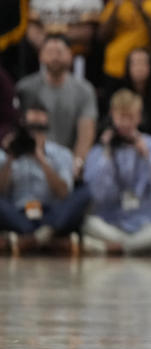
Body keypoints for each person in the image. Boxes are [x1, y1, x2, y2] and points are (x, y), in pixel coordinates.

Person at [81, 89, 151, 255]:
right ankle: (137, 248)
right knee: (89, 223)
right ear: (112, 116)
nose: (125, 124)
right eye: (121, 117)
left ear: (139, 117)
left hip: (144, 227)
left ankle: (120, 248)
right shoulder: (99, 150)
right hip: (110, 225)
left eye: (130, 117)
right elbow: (95, 194)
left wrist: (148, 158)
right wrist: (107, 156)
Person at [0, 101, 89, 253]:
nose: (34, 133)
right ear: (22, 127)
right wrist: (10, 160)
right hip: (19, 215)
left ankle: (30, 240)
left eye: (40, 128)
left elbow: (64, 193)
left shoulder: (61, 153)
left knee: (85, 192)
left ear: (47, 128)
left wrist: (41, 159)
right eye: (30, 128)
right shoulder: (8, 153)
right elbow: (1, 191)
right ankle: (48, 239)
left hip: (51, 214)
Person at [15, 34, 97, 175]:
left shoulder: (84, 90)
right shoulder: (25, 88)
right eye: (50, 52)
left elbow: (86, 131)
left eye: (59, 52)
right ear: (41, 56)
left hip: (67, 164)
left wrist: (77, 163)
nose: (54, 57)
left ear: (70, 55)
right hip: (30, 163)